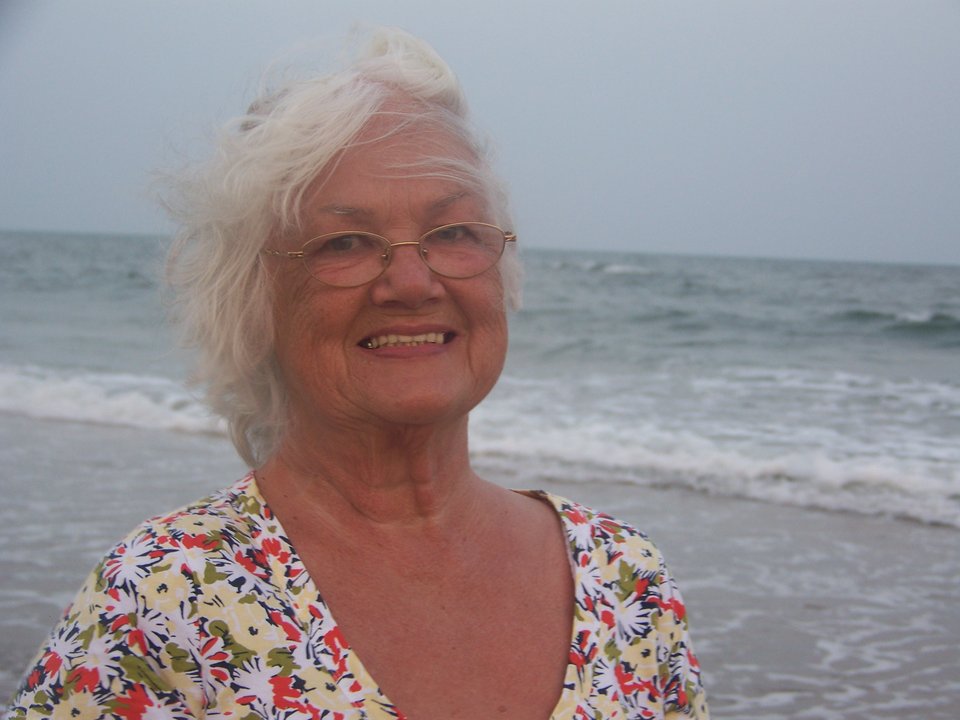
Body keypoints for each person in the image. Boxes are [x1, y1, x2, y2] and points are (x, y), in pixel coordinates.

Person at [7, 28, 708, 720]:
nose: (413, 282)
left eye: (452, 233)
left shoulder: (624, 578)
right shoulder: (164, 598)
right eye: (344, 242)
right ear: (252, 300)